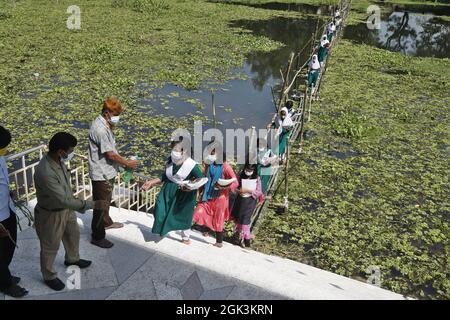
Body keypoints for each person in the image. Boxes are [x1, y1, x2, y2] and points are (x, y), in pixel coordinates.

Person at [34, 132, 108, 291]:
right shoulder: (46, 171)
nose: (70, 153)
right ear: (61, 151)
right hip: (51, 213)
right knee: (50, 246)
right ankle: (49, 275)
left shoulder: (58, 160)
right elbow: (63, 199)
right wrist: (93, 204)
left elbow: (66, 198)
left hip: (67, 210)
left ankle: (72, 259)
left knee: (72, 235)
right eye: (70, 150)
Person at [88, 97, 139, 248]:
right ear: (106, 113)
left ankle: (106, 222)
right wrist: (127, 163)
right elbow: (110, 154)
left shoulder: (106, 124)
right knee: (100, 205)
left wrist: (121, 165)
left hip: (108, 170)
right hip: (101, 173)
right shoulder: (100, 129)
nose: (117, 117)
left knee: (106, 200)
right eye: (115, 114)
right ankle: (97, 236)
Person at [142, 139, 204, 245]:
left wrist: (190, 186)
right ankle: (162, 229)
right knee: (159, 209)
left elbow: (201, 179)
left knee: (182, 214)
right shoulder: (170, 160)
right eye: (173, 149)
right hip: (168, 190)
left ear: (185, 151)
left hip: (183, 192)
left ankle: (185, 237)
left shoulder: (191, 165)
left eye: (177, 150)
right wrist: (151, 182)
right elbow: (166, 175)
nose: (174, 152)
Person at [192, 141, 238, 248]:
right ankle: (204, 228)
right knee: (198, 212)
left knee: (218, 218)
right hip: (208, 194)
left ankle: (219, 241)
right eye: (210, 152)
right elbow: (205, 177)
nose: (211, 154)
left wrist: (225, 187)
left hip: (220, 197)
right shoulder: (209, 164)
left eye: (213, 152)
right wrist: (199, 188)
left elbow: (235, 182)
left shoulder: (226, 167)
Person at [0, 126, 28, 298]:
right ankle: (5, 283)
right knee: (0, 252)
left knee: (10, 245)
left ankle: (4, 274)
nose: (5, 149)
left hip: (7, 208)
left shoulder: (1, 156)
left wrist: (8, 192)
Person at [231, 163, 262, 249]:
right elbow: (233, 186)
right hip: (240, 200)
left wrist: (249, 191)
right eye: (247, 170)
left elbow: (259, 192)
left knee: (245, 221)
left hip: (250, 201)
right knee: (238, 219)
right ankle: (237, 238)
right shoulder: (240, 176)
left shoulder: (257, 179)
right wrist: (238, 190)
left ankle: (247, 241)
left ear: (254, 171)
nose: (248, 172)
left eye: (250, 171)